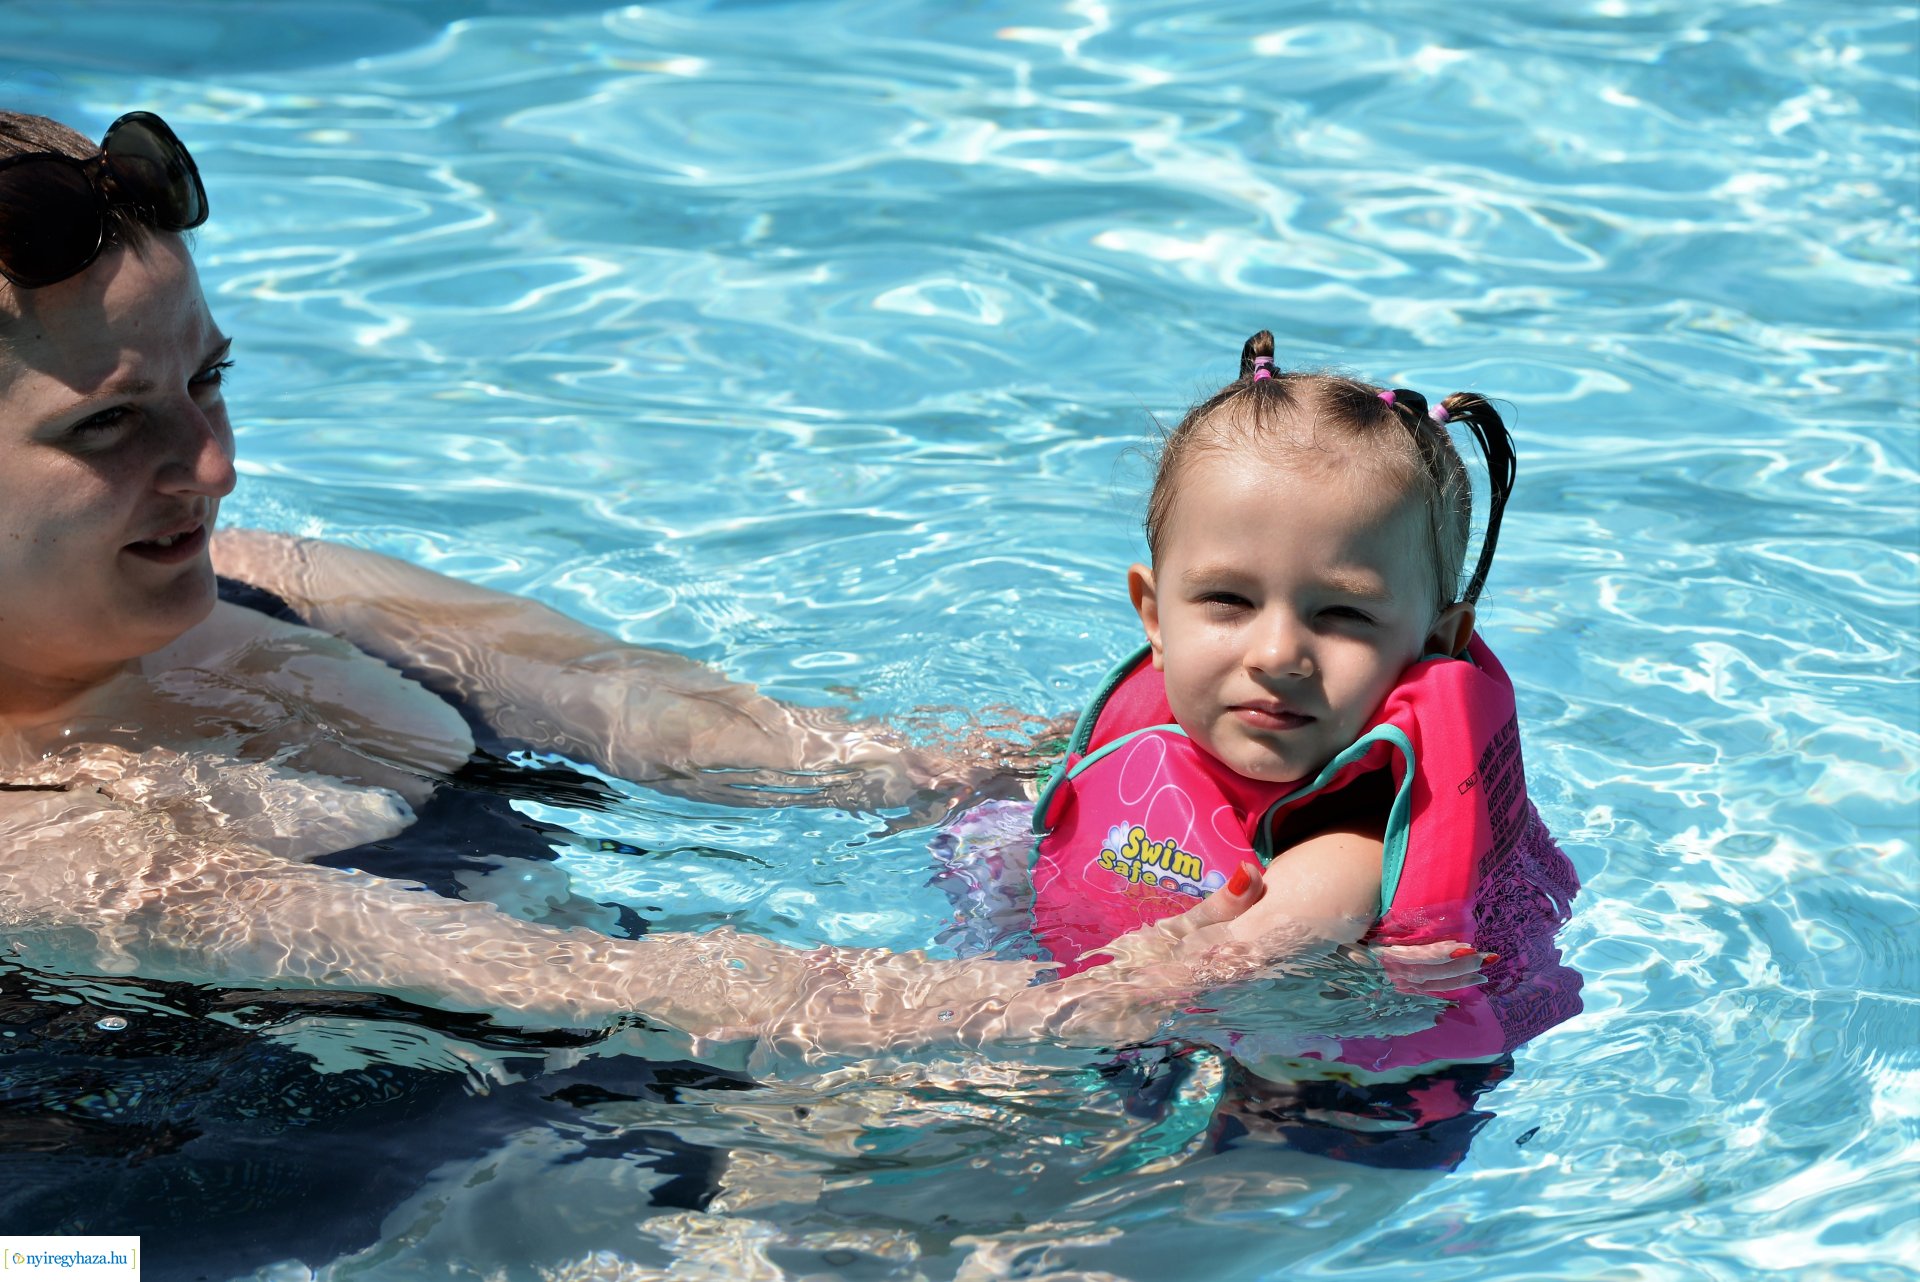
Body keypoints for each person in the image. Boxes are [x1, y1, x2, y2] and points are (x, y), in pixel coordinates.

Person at [0, 107, 1272, 1064]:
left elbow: (651, 710)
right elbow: (574, 982)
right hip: (392, 1189)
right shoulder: (46, 849)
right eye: (110, 428)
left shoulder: (272, 584)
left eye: (207, 382)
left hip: (605, 1081)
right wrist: (1089, 1004)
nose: (214, 466)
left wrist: (1088, 755)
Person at [931, 330, 1583, 1167]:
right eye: (1229, 600)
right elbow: (1017, 768)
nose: (1278, 655)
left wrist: (851, 1007)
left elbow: (1139, 995)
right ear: (1155, 616)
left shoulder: (1347, 853)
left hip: (1323, 1123)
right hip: (1172, 1069)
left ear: (1435, 641)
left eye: (1343, 613)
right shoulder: (1166, 726)